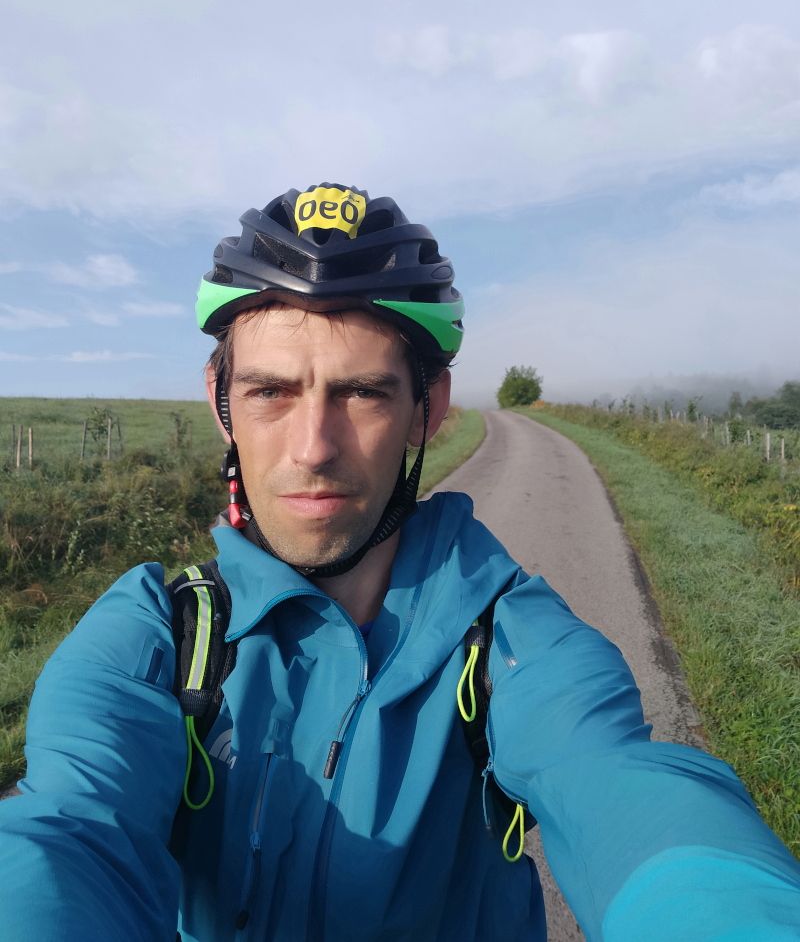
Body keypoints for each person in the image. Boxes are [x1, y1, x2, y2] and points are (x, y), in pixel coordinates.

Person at [1, 182, 798, 942]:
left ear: (428, 409)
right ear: (221, 401)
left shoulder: (513, 641)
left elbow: (622, 785)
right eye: (271, 392)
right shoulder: (161, 637)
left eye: (362, 393)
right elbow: (67, 834)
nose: (313, 448)